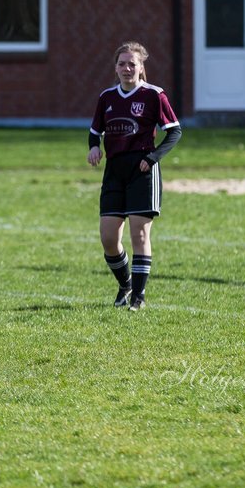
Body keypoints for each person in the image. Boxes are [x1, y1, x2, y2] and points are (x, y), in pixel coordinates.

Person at [87, 41, 182, 310]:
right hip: (114, 172)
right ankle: (125, 284)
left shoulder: (154, 95)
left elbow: (174, 131)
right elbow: (95, 132)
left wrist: (152, 158)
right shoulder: (107, 97)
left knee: (139, 234)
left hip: (142, 170)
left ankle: (138, 297)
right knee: (108, 238)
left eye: (132, 63)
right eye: (122, 63)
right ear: (115, 68)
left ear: (141, 67)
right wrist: (93, 147)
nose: (127, 68)